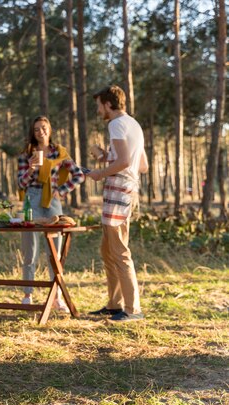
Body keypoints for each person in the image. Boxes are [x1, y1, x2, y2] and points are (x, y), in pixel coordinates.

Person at [86, 85, 148, 322]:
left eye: (99, 104)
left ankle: (133, 309)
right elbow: (141, 165)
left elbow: (123, 161)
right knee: (108, 250)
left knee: (119, 251)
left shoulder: (116, 124)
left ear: (108, 104)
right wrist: (104, 156)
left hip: (118, 193)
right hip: (125, 191)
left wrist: (99, 172)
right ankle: (114, 304)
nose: (97, 109)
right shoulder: (134, 124)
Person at [17, 116, 85, 311]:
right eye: (37, 129)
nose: (41, 132)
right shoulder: (26, 154)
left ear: (50, 129)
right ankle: (27, 294)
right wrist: (30, 169)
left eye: (44, 128)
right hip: (32, 199)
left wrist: (61, 191)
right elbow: (20, 184)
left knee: (54, 249)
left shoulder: (59, 153)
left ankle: (56, 297)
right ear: (33, 132)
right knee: (30, 247)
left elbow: (79, 175)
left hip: (52, 200)